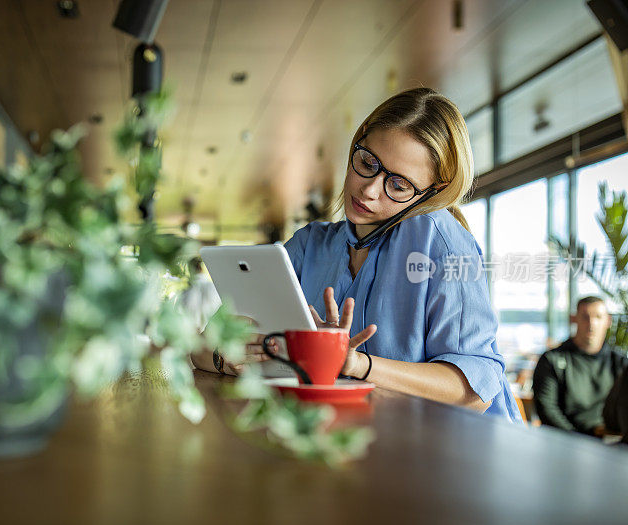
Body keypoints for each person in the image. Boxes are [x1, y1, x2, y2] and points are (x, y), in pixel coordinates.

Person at [194, 87, 521, 422]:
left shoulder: (441, 241)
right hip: (353, 440)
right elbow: (200, 349)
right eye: (368, 163)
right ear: (358, 143)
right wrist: (225, 356)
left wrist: (355, 364)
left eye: (398, 185)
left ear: (430, 194)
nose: (369, 189)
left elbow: (476, 390)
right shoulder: (310, 245)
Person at [533, 296, 628, 436]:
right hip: (567, 443)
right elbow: (547, 411)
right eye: (585, 317)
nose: (591, 323)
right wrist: (577, 441)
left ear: (608, 321)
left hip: (613, 443)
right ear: (573, 319)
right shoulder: (551, 360)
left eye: (598, 317)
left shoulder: (621, 363)